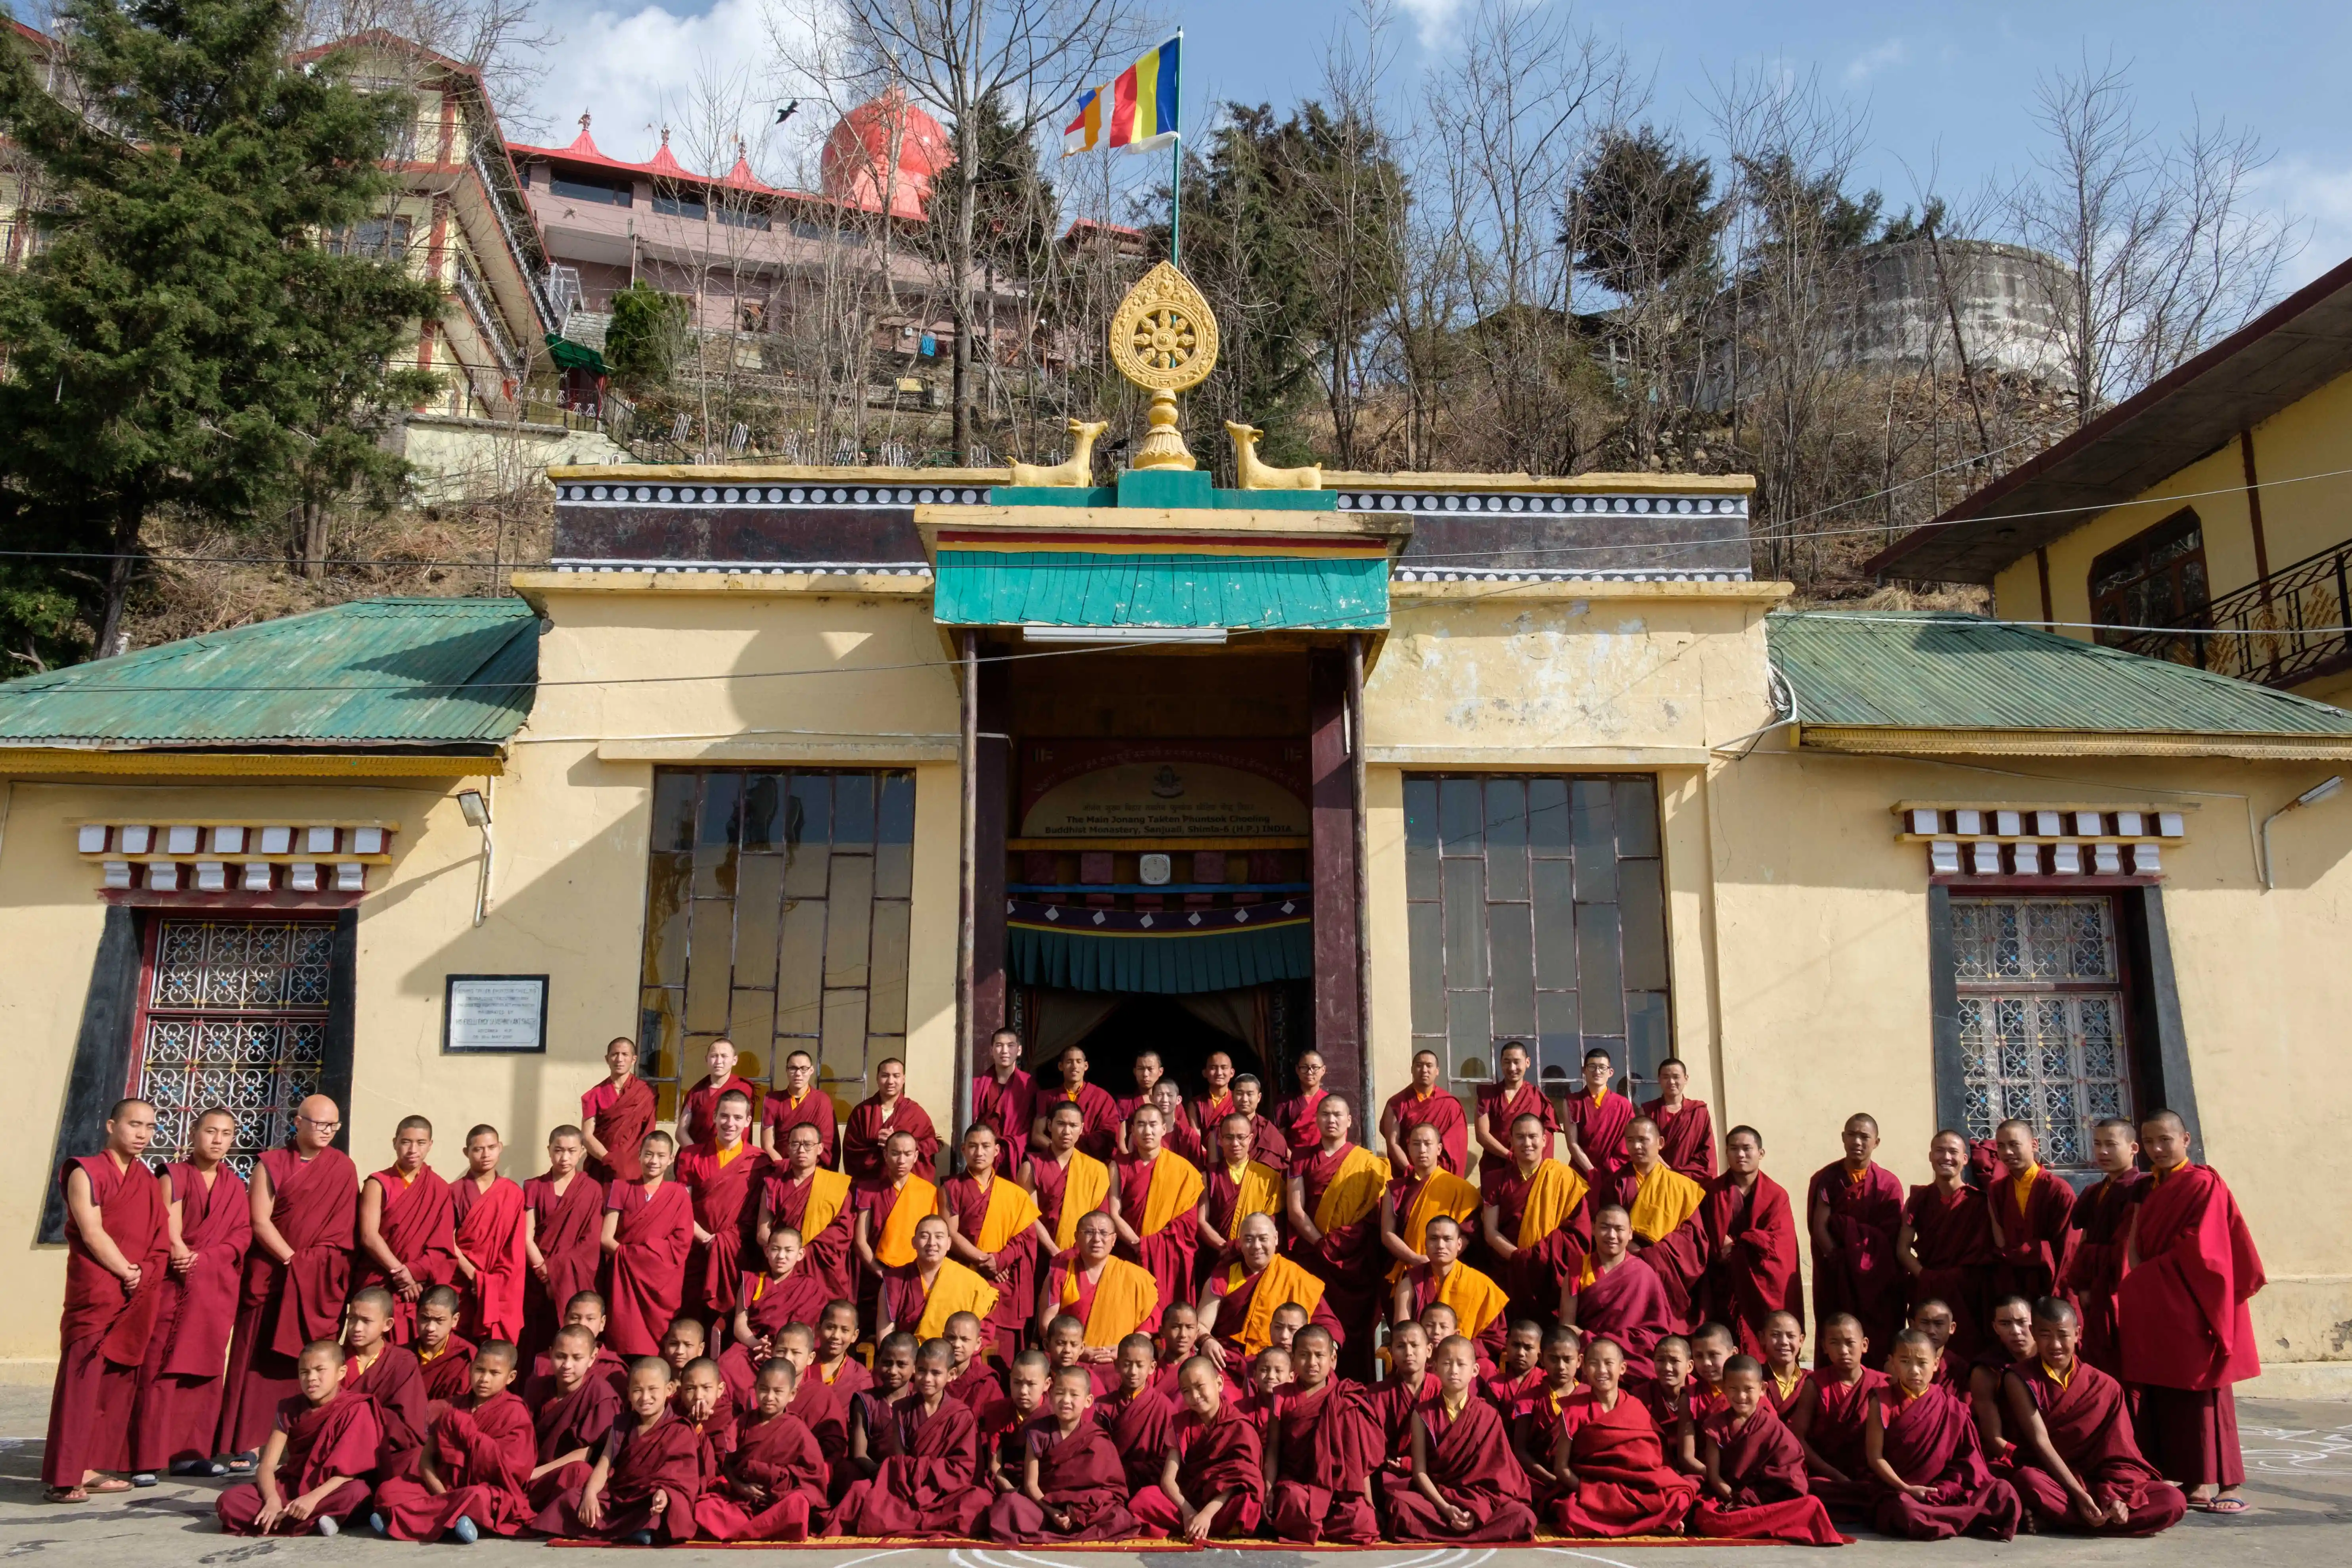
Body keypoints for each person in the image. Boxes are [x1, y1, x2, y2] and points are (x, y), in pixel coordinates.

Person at [2122, 1108, 2264, 1514]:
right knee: (2165, 1392)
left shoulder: (2202, 1184)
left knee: (2206, 1391)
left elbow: (2207, 1250)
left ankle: (2226, 1482)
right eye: (2149, 1142)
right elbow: (2137, 1242)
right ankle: (2191, 1481)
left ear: (2186, 1140)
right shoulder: (2148, 1188)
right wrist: (2139, 1279)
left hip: (2194, 1301)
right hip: (2157, 1299)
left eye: (2166, 1140)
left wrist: (2149, 1275)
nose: (2158, 1149)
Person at [220, 1095, 359, 1463]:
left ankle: (304, 1439)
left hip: (318, 1281)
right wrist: (291, 1259)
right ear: (298, 1123)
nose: (327, 1132)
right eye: (319, 1124)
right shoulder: (271, 1163)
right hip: (274, 1274)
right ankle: (247, 1442)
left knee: (309, 1361)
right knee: (255, 1361)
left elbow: (344, 1232)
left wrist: (309, 1267)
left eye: (334, 1126)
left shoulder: (343, 1168)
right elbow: (260, 1220)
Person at [45, 1097, 170, 1501]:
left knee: (114, 1388)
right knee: (81, 1385)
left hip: (134, 1294)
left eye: (150, 1127)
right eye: (135, 1125)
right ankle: (65, 1475)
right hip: (99, 1289)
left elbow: (160, 1236)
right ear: (111, 1125)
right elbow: (92, 1229)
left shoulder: (148, 1181)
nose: (142, 1134)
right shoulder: (86, 1170)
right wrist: (128, 1271)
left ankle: (92, 1465)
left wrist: (144, 1274)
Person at [133, 1104, 250, 1481]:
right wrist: (183, 1254)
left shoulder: (235, 1185)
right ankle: (146, 1457)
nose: (218, 1140)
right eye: (210, 1132)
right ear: (193, 1134)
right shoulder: (175, 1174)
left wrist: (208, 1258)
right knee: (161, 1370)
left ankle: (190, 1453)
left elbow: (242, 1234)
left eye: (226, 1134)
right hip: (175, 1287)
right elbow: (166, 1221)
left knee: (205, 1372)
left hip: (214, 1291)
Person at [2004, 1297, 2186, 1535]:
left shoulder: (2104, 1385)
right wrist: (2080, 1496)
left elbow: (2121, 1452)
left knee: (2173, 1500)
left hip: (2102, 1483)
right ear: (2033, 1333)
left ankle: (2061, 1521)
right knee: (2027, 1480)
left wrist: (2119, 1498)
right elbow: (2041, 1443)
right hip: (2054, 1478)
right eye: (2046, 1335)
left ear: (2078, 1333)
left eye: (2063, 1335)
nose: (2056, 1345)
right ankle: (2096, 1522)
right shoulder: (2019, 1378)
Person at [1863, 1328, 2020, 1541]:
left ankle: (1944, 1519)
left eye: (1922, 1363)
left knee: (2003, 1492)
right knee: (1903, 1510)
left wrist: (1948, 1487)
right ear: (1892, 1362)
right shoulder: (1882, 1401)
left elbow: (1968, 1460)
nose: (1915, 1371)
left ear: (1936, 1364)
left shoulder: (1951, 1405)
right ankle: (1962, 1520)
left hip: (1942, 1491)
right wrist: (1907, 1488)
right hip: (1898, 1489)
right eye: (1906, 1362)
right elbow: (1875, 1457)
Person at [370, 1338, 533, 1542]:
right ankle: (455, 1524)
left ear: (511, 1377)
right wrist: (441, 1493)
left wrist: (467, 1431)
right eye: (480, 1370)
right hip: (444, 1489)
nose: (484, 1379)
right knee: (389, 1491)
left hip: (485, 1491)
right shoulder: (452, 1408)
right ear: (471, 1369)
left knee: (478, 1500)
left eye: (494, 1374)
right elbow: (426, 1461)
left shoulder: (515, 1412)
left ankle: (406, 1522)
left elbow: (511, 1470)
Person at [214, 1340, 378, 1536]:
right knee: (228, 1502)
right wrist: (272, 1500)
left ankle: (289, 1520)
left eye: (320, 1370)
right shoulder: (288, 1409)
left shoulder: (356, 1408)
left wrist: (312, 1498)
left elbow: (350, 1472)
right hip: (293, 1485)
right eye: (304, 1372)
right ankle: (317, 1521)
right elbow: (267, 1466)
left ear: (341, 1373)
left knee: (358, 1492)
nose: (311, 1378)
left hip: (330, 1488)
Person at [1383, 1334, 1536, 1541]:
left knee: (1522, 1516)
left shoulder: (1487, 1415)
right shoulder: (1422, 1414)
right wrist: (1446, 1508)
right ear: (1435, 1368)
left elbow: (1500, 1476)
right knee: (1399, 1504)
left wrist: (1477, 1511)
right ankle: (1471, 1529)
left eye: (1461, 1364)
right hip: (1440, 1497)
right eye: (1446, 1364)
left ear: (1474, 1371)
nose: (1454, 1371)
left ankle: (1460, 1526)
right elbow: (1420, 1473)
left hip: (1480, 1498)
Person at [535, 1355, 702, 1543]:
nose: (645, 1398)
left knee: (662, 1511)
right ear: (629, 1394)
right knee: (571, 1499)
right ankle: (634, 1532)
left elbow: (680, 1479)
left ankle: (637, 1530)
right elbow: (604, 1465)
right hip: (618, 1499)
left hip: (649, 1501)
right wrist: (589, 1495)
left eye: (653, 1390)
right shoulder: (622, 1424)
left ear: (669, 1390)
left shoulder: (680, 1429)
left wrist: (665, 1495)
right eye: (638, 1391)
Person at [832, 1339, 987, 1537]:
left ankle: (912, 1519)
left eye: (936, 1373)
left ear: (951, 1375)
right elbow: (900, 1461)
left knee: (977, 1501)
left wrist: (923, 1474)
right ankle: (923, 1520)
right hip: (909, 1489)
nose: (927, 1379)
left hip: (945, 1491)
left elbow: (966, 1469)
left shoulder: (961, 1415)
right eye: (922, 1371)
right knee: (863, 1492)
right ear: (915, 1369)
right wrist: (912, 1480)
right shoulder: (902, 1408)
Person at [1284, 1094, 1389, 1378]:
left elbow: (1373, 1214)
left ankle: (1359, 1385)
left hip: (1355, 1261)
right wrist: (1321, 1243)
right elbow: (1295, 1210)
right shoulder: (1301, 1157)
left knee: (1358, 1331)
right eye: (1326, 1114)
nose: (1331, 1120)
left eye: (1337, 1115)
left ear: (1349, 1121)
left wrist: (1340, 1243)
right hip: (1314, 1256)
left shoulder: (1366, 1162)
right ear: (1316, 1119)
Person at [1690, 1354, 1842, 1543]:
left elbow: (1789, 1477)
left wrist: (1748, 1500)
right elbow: (1714, 1477)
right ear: (1724, 1389)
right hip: (1729, 1497)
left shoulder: (1773, 1427)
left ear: (1762, 1389)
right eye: (1733, 1389)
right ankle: (1760, 1522)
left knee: (1811, 1504)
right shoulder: (1715, 1426)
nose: (1741, 1396)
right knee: (1706, 1516)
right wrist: (1735, 1497)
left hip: (1767, 1501)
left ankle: (1751, 1521)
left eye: (1748, 1389)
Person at [989, 1363, 1136, 1541]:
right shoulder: (1037, 1432)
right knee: (1008, 1504)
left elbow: (1111, 1490)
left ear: (1089, 1401)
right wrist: (1053, 1513)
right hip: (1044, 1507)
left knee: (1118, 1516)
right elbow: (1031, 1486)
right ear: (1050, 1396)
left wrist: (1079, 1511)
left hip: (1083, 1512)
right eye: (1060, 1393)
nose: (1066, 1400)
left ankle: (1067, 1525)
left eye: (1074, 1395)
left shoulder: (1097, 1438)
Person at [1261, 1324, 1378, 1543]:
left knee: (1361, 1519)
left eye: (1319, 1355)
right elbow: (1273, 1449)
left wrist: (1367, 1499)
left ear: (1332, 1358)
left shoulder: (1346, 1398)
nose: (1312, 1363)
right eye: (1304, 1355)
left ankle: (1316, 1527)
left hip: (1339, 1490)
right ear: (1293, 1359)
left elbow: (1358, 1457)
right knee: (1291, 1500)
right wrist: (1268, 1491)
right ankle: (1318, 1525)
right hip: (1299, 1483)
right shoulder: (1282, 1396)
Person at [695, 1357, 831, 1541]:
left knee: (798, 1503)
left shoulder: (797, 1430)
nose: (769, 1397)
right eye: (764, 1389)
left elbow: (813, 1475)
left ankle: (749, 1530)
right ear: (756, 1388)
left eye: (778, 1392)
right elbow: (728, 1465)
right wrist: (742, 1488)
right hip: (743, 1501)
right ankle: (764, 1529)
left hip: (777, 1501)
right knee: (705, 1506)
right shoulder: (743, 1422)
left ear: (792, 1394)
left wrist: (776, 1480)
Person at [937, 1121, 1040, 1361]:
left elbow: (1025, 1238)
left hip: (1004, 1280)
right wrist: (985, 1260)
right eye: (973, 1146)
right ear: (963, 1150)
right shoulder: (951, 1188)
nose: (979, 1152)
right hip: (967, 1275)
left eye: (986, 1146)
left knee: (1001, 1355)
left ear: (997, 1151)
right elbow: (950, 1233)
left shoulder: (1015, 1194)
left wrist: (1000, 1260)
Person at [1808, 1114, 1905, 1366]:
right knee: (1837, 1329)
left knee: (1877, 1339)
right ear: (1843, 1138)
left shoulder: (1888, 1184)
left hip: (1876, 1277)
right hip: (1837, 1273)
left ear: (1877, 1142)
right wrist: (1838, 1259)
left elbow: (1890, 1235)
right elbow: (1820, 1228)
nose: (1857, 1141)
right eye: (1852, 1135)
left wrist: (1857, 1251)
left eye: (1865, 1136)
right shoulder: (1826, 1178)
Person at [1133, 1355, 1263, 1541]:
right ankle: (1199, 1527)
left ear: (1219, 1383)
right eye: (1186, 1391)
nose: (1195, 1396)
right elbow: (1168, 1479)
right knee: (1145, 1499)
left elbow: (1240, 1478)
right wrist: (1189, 1512)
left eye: (1200, 1386)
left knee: (1247, 1504)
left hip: (1220, 1505)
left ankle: (1205, 1527)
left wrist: (1206, 1515)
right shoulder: (1181, 1425)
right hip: (1189, 1501)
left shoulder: (1240, 1426)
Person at [1702, 1125, 1803, 1360]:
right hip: (1723, 1282)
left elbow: (1779, 1245)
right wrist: (1718, 1245)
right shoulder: (1711, 1192)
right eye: (1734, 1149)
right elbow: (1701, 1235)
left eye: (1747, 1149)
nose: (1741, 1155)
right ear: (1726, 1153)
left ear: (1761, 1153)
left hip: (1760, 1283)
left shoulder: (1777, 1195)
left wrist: (1738, 1246)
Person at [355, 1116, 456, 1346]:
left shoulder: (439, 1188)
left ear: (430, 1145)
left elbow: (442, 1246)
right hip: (381, 1280)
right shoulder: (378, 1183)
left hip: (418, 1288)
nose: (413, 1150)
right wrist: (401, 1275)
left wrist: (414, 1273)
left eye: (421, 1143)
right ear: (395, 1143)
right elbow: (369, 1236)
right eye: (406, 1142)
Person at [1483, 1111, 1590, 1325]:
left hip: (1551, 1274)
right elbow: (1490, 1232)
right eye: (1520, 1137)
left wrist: (1538, 1258)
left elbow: (1579, 1233)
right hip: (1510, 1270)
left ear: (1544, 1140)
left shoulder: (1564, 1178)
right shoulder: (1495, 1180)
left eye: (1533, 1137)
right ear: (1511, 1141)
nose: (1527, 1143)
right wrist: (1521, 1259)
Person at [677, 1089, 771, 1322]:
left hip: (739, 1252)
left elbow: (759, 1214)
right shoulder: (691, 1156)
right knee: (693, 1317)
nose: (730, 1123)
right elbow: (681, 1207)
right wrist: (707, 1240)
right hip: (697, 1250)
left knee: (734, 1321)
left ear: (748, 1121)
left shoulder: (759, 1161)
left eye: (738, 1118)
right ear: (714, 1118)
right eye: (725, 1116)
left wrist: (722, 1243)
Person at [1201, 1213, 1339, 1372]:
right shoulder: (1224, 1276)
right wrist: (1207, 1341)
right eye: (1248, 1239)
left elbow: (1328, 1324)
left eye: (1263, 1239)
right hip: (1230, 1363)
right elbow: (1202, 1324)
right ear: (1240, 1241)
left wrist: (1331, 1348)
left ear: (1276, 1239)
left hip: (1285, 1367)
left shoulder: (1296, 1278)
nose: (1256, 1246)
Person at [1900, 1129, 1996, 1357]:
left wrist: (1952, 1279)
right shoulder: (1918, 1199)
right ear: (1931, 1156)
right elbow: (1902, 1248)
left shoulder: (1978, 1202)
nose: (1946, 1157)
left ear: (1965, 1160)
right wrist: (1926, 1277)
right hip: (1926, 1286)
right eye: (1940, 1151)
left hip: (1965, 1291)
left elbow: (1985, 1252)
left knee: (1966, 1353)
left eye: (1953, 1152)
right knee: (1922, 1352)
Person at [1607, 1116, 1709, 1330]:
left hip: (1667, 1265)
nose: (1637, 1146)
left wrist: (1655, 1254)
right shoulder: (1616, 1183)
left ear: (1660, 1143)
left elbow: (1693, 1235)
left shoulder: (1682, 1186)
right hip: (1626, 1264)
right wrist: (1628, 1248)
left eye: (1643, 1140)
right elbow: (1605, 1225)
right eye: (1631, 1140)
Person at [1562, 1205, 1673, 1395]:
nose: (1612, 1235)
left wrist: (1607, 1344)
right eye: (1605, 1227)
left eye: (1619, 1229)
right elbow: (1566, 1326)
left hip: (1631, 1358)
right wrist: (1596, 1345)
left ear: (1630, 1233)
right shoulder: (1578, 1268)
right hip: (1589, 1354)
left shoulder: (1644, 1273)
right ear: (1593, 1229)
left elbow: (1657, 1333)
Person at [600, 1131, 693, 1357]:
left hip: (661, 1283)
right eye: (649, 1154)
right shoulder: (621, 1188)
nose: (654, 1161)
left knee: (659, 1349)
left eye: (661, 1156)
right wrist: (632, 1258)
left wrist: (639, 1257)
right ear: (639, 1156)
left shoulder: (679, 1194)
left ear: (671, 1159)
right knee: (625, 1338)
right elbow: (605, 1238)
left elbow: (681, 1244)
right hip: (626, 1281)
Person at [2061, 1118, 2141, 1378]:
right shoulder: (2094, 1192)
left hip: (2120, 1286)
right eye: (2097, 1144)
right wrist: (2083, 1284)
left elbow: (2128, 1246)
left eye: (2111, 1144)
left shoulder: (2139, 1189)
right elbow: (2084, 1240)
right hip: (2094, 1286)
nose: (2102, 1152)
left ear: (2133, 1148)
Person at [521, 1125, 604, 1364]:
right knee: (536, 1340)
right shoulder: (534, 1187)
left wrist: (555, 1272)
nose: (564, 1158)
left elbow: (589, 1242)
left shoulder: (592, 1190)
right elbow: (527, 1236)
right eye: (558, 1150)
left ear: (581, 1153)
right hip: (536, 1279)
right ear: (549, 1151)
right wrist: (543, 1272)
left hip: (571, 1280)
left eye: (571, 1151)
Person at [1041, 1210, 1161, 1370]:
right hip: (1070, 1365)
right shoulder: (1060, 1273)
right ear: (1077, 1237)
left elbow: (1149, 1323)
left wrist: (1125, 1348)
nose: (1097, 1239)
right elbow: (1047, 1324)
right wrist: (1078, 1351)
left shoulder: (1134, 1277)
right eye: (1089, 1232)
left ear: (1114, 1240)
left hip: (1121, 1366)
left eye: (1104, 1233)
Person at [1113, 1102, 1204, 1310]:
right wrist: (1137, 1244)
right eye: (1141, 1125)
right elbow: (1113, 1213)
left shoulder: (1184, 1171)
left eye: (1153, 1125)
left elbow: (1187, 1223)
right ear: (1133, 1130)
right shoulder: (1119, 1165)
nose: (1148, 1131)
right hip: (1127, 1251)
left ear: (1164, 1129)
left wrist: (1149, 1245)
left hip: (1167, 1256)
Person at [1793, 1313, 1883, 1520]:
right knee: (1805, 1488)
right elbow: (1798, 1438)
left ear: (1865, 1344)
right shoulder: (1815, 1384)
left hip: (1869, 1473)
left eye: (1850, 1343)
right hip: (1826, 1475)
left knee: (1885, 1490)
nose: (1843, 1351)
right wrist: (1833, 1474)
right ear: (1824, 1347)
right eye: (1835, 1343)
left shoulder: (1882, 1385)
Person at [523, 1324, 621, 1514]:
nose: (567, 1365)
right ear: (550, 1354)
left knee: (579, 1471)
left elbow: (586, 1453)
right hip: (532, 1472)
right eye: (561, 1356)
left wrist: (537, 1473)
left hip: (563, 1476)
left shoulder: (601, 1394)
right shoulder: (536, 1386)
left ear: (592, 1358)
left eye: (577, 1358)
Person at [449, 1125, 527, 1347]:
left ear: (500, 1148)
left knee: (493, 1354)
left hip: (499, 1286)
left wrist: (490, 1283)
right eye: (478, 1149)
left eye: (492, 1148)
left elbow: (514, 1250)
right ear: (467, 1152)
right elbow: (447, 1241)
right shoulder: (453, 1192)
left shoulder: (513, 1194)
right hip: (460, 1282)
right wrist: (474, 1276)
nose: (486, 1155)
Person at [758, 1121, 855, 1299]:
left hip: (823, 1271)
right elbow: (763, 1234)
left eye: (808, 1145)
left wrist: (801, 1252)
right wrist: (785, 1253)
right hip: (783, 1267)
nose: (801, 1150)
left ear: (820, 1149)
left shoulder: (835, 1186)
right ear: (788, 1148)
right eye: (795, 1144)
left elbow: (843, 1232)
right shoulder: (773, 1184)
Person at [341, 1287, 429, 1479]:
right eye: (352, 1319)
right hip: (336, 1449)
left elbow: (409, 1427)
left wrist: (365, 1420)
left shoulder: (402, 1362)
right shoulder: (334, 1358)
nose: (357, 1328)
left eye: (366, 1321)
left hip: (382, 1451)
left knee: (415, 1462)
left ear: (388, 1325)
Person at [1382, 1119, 1483, 1287]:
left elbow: (1468, 1233)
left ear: (1439, 1149)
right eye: (1416, 1144)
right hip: (1408, 1271)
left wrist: (1440, 1261)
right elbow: (1387, 1234)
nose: (1422, 1150)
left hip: (1449, 1272)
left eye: (1428, 1144)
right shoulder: (1394, 1188)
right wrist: (1415, 1259)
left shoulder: (1461, 1189)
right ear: (1409, 1149)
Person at [854, 1128, 940, 1321]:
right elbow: (861, 1240)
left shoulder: (929, 1192)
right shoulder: (868, 1190)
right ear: (885, 1155)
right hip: (876, 1276)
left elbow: (933, 1241)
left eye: (908, 1154)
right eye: (895, 1153)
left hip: (915, 1277)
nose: (901, 1161)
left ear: (916, 1156)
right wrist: (880, 1272)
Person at [1986, 1119, 2074, 1305]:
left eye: (2014, 1144)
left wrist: (2057, 1294)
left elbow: (2067, 1248)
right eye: (2001, 1146)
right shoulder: (1997, 1189)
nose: (2007, 1152)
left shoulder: (2058, 1189)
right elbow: (2000, 1240)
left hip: (2049, 1281)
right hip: (2012, 1281)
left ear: (2034, 1145)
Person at [1397, 1216, 1509, 1362]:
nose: (1440, 1245)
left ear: (1459, 1244)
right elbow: (1403, 1334)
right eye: (1434, 1239)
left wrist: (1457, 1353)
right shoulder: (1410, 1283)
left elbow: (1495, 1338)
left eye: (1447, 1239)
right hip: (1422, 1362)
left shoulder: (1482, 1285)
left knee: (1485, 1368)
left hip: (1466, 1362)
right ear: (1426, 1243)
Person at [877, 1214, 999, 1345]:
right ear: (914, 1243)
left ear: (949, 1244)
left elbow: (981, 1335)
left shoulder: (972, 1283)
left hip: (954, 1359)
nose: (932, 1243)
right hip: (908, 1360)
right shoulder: (894, 1281)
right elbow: (886, 1337)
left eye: (939, 1237)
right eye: (925, 1236)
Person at [1197, 1111, 1285, 1290]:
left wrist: (1239, 1246)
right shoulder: (1208, 1176)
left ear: (1251, 1138)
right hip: (1217, 1256)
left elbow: (1273, 1221)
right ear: (1220, 1140)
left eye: (1241, 1137)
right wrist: (1226, 1247)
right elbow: (1200, 1221)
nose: (1235, 1143)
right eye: (1229, 1137)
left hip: (1257, 1255)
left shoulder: (1268, 1177)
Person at [1026, 1100, 1113, 1261]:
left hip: (1082, 1256)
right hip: (1038, 1254)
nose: (1067, 1131)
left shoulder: (1097, 1170)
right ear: (1050, 1126)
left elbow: (1099, 1219)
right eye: (1061, 1124)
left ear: (1082, 1129)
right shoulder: (1031, 1166)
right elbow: (1027, 1217)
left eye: (1073, 1126)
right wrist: (1055, 1252)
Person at [1510, 1326, 1582, 1514]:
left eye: (1568, 1360)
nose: (1561, 1367)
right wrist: (1551, 1478)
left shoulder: (1588, 1396)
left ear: (1579, 1361)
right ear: (1542, 1359)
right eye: (1554, 1359)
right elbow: (1520, 1450)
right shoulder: (1528, 1399)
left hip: (1579, 1476)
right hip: (1540, 1478)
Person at [1474, 1042, 1556, 1199]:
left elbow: (1547, 1140)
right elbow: (1482, 1135)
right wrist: (1510, 1156)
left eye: (1517, 1062)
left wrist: (1528, 1162)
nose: (1512, 1068)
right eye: (1507, 1062)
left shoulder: (1538, 1098)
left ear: (1528, 1063)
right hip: (1496, 1167)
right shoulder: (1487, 1095)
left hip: (1528, 1169)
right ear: (1500, 1063)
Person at [1098, 1334, 1175, 1495]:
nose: (1133, 1372)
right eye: (1127, 1364)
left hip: (1146, 1487)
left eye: (1140, 1365)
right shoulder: (1102, 1406)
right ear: (1117, 1365)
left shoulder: (1164, 1407)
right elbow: (1095, 1453)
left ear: (1152, 1367)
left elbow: (1168, 1460)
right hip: (1107, 1483)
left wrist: (1128, 1472)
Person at [842, 1058, 939, 1182]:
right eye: (885, 1076)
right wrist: (876, 1142)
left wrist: (897, 1142)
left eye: (896, 1076)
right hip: (869, 1185)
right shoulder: (862, 1112)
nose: (891, 1081)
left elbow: (930, 1145)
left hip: (905, 1186)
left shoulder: (914, 1112)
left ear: (903, 1079)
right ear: (877, 1078)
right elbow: (851, 1150)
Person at [840, 1333, 915, 1489]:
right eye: (887, 1363)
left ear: (915, 1367)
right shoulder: (865, 1401)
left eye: (901, 1365)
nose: (893, 1371)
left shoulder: (919, 1402)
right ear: (878, 1362)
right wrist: (878, 1471)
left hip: (910, 1476)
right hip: (873, 1473)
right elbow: (859, 1454)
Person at [581, 1037, 657, 1185]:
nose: (619, 1059)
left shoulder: (646, 1093)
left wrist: (631, 1163)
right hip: (602, 1165)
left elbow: (648, 1132)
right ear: (607, 1059)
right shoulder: (594, 1095)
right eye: (615, 1054)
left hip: (634, 1166)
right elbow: (587, 1135)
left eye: (625, 1054)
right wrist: (609, 1160)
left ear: (634, 1059)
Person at [1382, 1048, 1469, 1177]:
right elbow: (1393, 1143)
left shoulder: (1451, 1106)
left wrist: (1434, 1174)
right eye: (1419, 1065)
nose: (1424, 1070)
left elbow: (1456, 1149)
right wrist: (1412, 1172)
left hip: (1441, 1176)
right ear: (1412, 1070)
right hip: (1408, 1175)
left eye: (1429, 1066)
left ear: (1437, 1071)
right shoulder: (1396, 1104)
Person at [1562, 1047, 1638, 1190]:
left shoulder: (1623, 1105)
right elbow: (1573, 1144)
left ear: (1611, 1072)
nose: (1597, 1072)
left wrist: (1609, 1169)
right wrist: (1591, 1171)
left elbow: (1626, 1143)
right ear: (1584, 1070)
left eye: (1602, 1068)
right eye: (1592, 1067)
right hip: (1581, 1173)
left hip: (1614, 1173)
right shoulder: (1572, 1102)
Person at [1034, 1045, 1122, 1161]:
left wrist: (1074, 1151)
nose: (1074, 1066)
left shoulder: (1102, 1097)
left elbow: (1109, 1134)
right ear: (1061, 1066)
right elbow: (1036, 1136)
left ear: (1086, 1066)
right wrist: (1059, 1150)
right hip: (1055, 1159)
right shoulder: (1047, 1097)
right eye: (1069, 1062)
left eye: (1079, 1062)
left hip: (1090, 1160)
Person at [678, 1037, 762, 1150]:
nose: (718, 1062)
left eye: (724, 1056)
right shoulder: (696, 1092)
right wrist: (696, 1156)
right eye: (714, 1056)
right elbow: (681, 1132)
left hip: (731, 1156)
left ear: (735, 1060)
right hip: (696, 1157)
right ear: (706, 1059)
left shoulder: (744, 1089)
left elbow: (742, 1131)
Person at [1643, 1058, 1718, 1181]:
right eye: (1666, 1077)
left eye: (1676, 1077)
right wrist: (1667, 1170)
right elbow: (1645, 1148)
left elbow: (1707, 1152)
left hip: (1690, 1181)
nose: (1671, 1082)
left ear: (1686, 1079)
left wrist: (1680, 1174)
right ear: (1659, 1080)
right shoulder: (1648, 1111)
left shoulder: (1698, 1111)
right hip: (1656, 1178)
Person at [970, 1030, 1034, 1173]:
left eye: (1011, 1046)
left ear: (1019, 1050)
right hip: (982, 1154)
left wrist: (1013, 1146)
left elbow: (1031, 1128)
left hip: (1016, 1156)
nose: (1005, 1051)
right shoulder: (976, 1085)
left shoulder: (1030, 1086)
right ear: (991, 1050)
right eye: (999, 1045)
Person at [761, 1048, 838, 1167]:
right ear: (787, 1070)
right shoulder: (773, 1100)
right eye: (793, 1069)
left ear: (811, 1070)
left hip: (814, 1169)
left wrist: (807, 1170)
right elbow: (768, 1146)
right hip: (781, 1168)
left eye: (804, 1069)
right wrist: (785, 1168)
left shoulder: (822, 1100)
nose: (798, 1074)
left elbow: (826, 1144)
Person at [412, 1286, 475, 1421]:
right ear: (416, 1316)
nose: (430, 1328)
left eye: (439, 1321)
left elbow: (462, 1407)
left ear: (455, 1320)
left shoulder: (466, 1357)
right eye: (425, 1319)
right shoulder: (403, 1354)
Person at [1270, 1050, 1332, 1168]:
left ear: (1323, 1070)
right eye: (1305, 1068)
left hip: (1324, 1162)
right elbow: (1279, 1139)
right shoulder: (1286, 1103)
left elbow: (1337, 1136)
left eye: (1315, 1068)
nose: (1310, 1072)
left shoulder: (1330, 1102)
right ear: (1297, 1070)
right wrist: (1293, 1160)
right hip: (1293, 1162)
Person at [1227, 1075, 1290, 1171]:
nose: (1245, 1099)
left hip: (1263, 1184)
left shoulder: (1268, 1130)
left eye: (1250, 1094)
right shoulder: (1221, 1129)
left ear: (1259, 1097)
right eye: (1240, 1094)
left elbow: (1288, 1159)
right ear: (1232, 1096)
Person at [812, 1299, 871, 1397]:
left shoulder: (860, 1377)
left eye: (845, 1330)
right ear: (818, 1329)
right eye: (830, 1327)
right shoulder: (804, 1364)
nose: (836, 1336)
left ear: (855, 1335)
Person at [1111, 1050, 1165, 1156]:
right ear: (1135, 1072)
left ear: (1160, 1072)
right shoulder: (1125, 1103)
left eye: (1150, 1069)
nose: (1145, 1074)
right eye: (1141, 1069)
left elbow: (1182, 1135)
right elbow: (1121, 1144)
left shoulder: (1169, 1102)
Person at [1487, 1319, 1546, 1410]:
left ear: (1540, 1351)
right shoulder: (1495, 1384)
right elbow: (1492, 1421)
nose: (1521, 1353)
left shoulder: (1547, 1381)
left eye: (1528, 1348)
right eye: (1516, 1345)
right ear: (1506, 1345)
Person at [1760, 1311, 1810, 1418]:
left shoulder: (1812, 1381)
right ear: (1762, 1338)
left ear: (1801, 1340)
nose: (1784, 1342)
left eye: (1791, 1336)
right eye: (1776, 1335)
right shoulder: (1753, 1378)